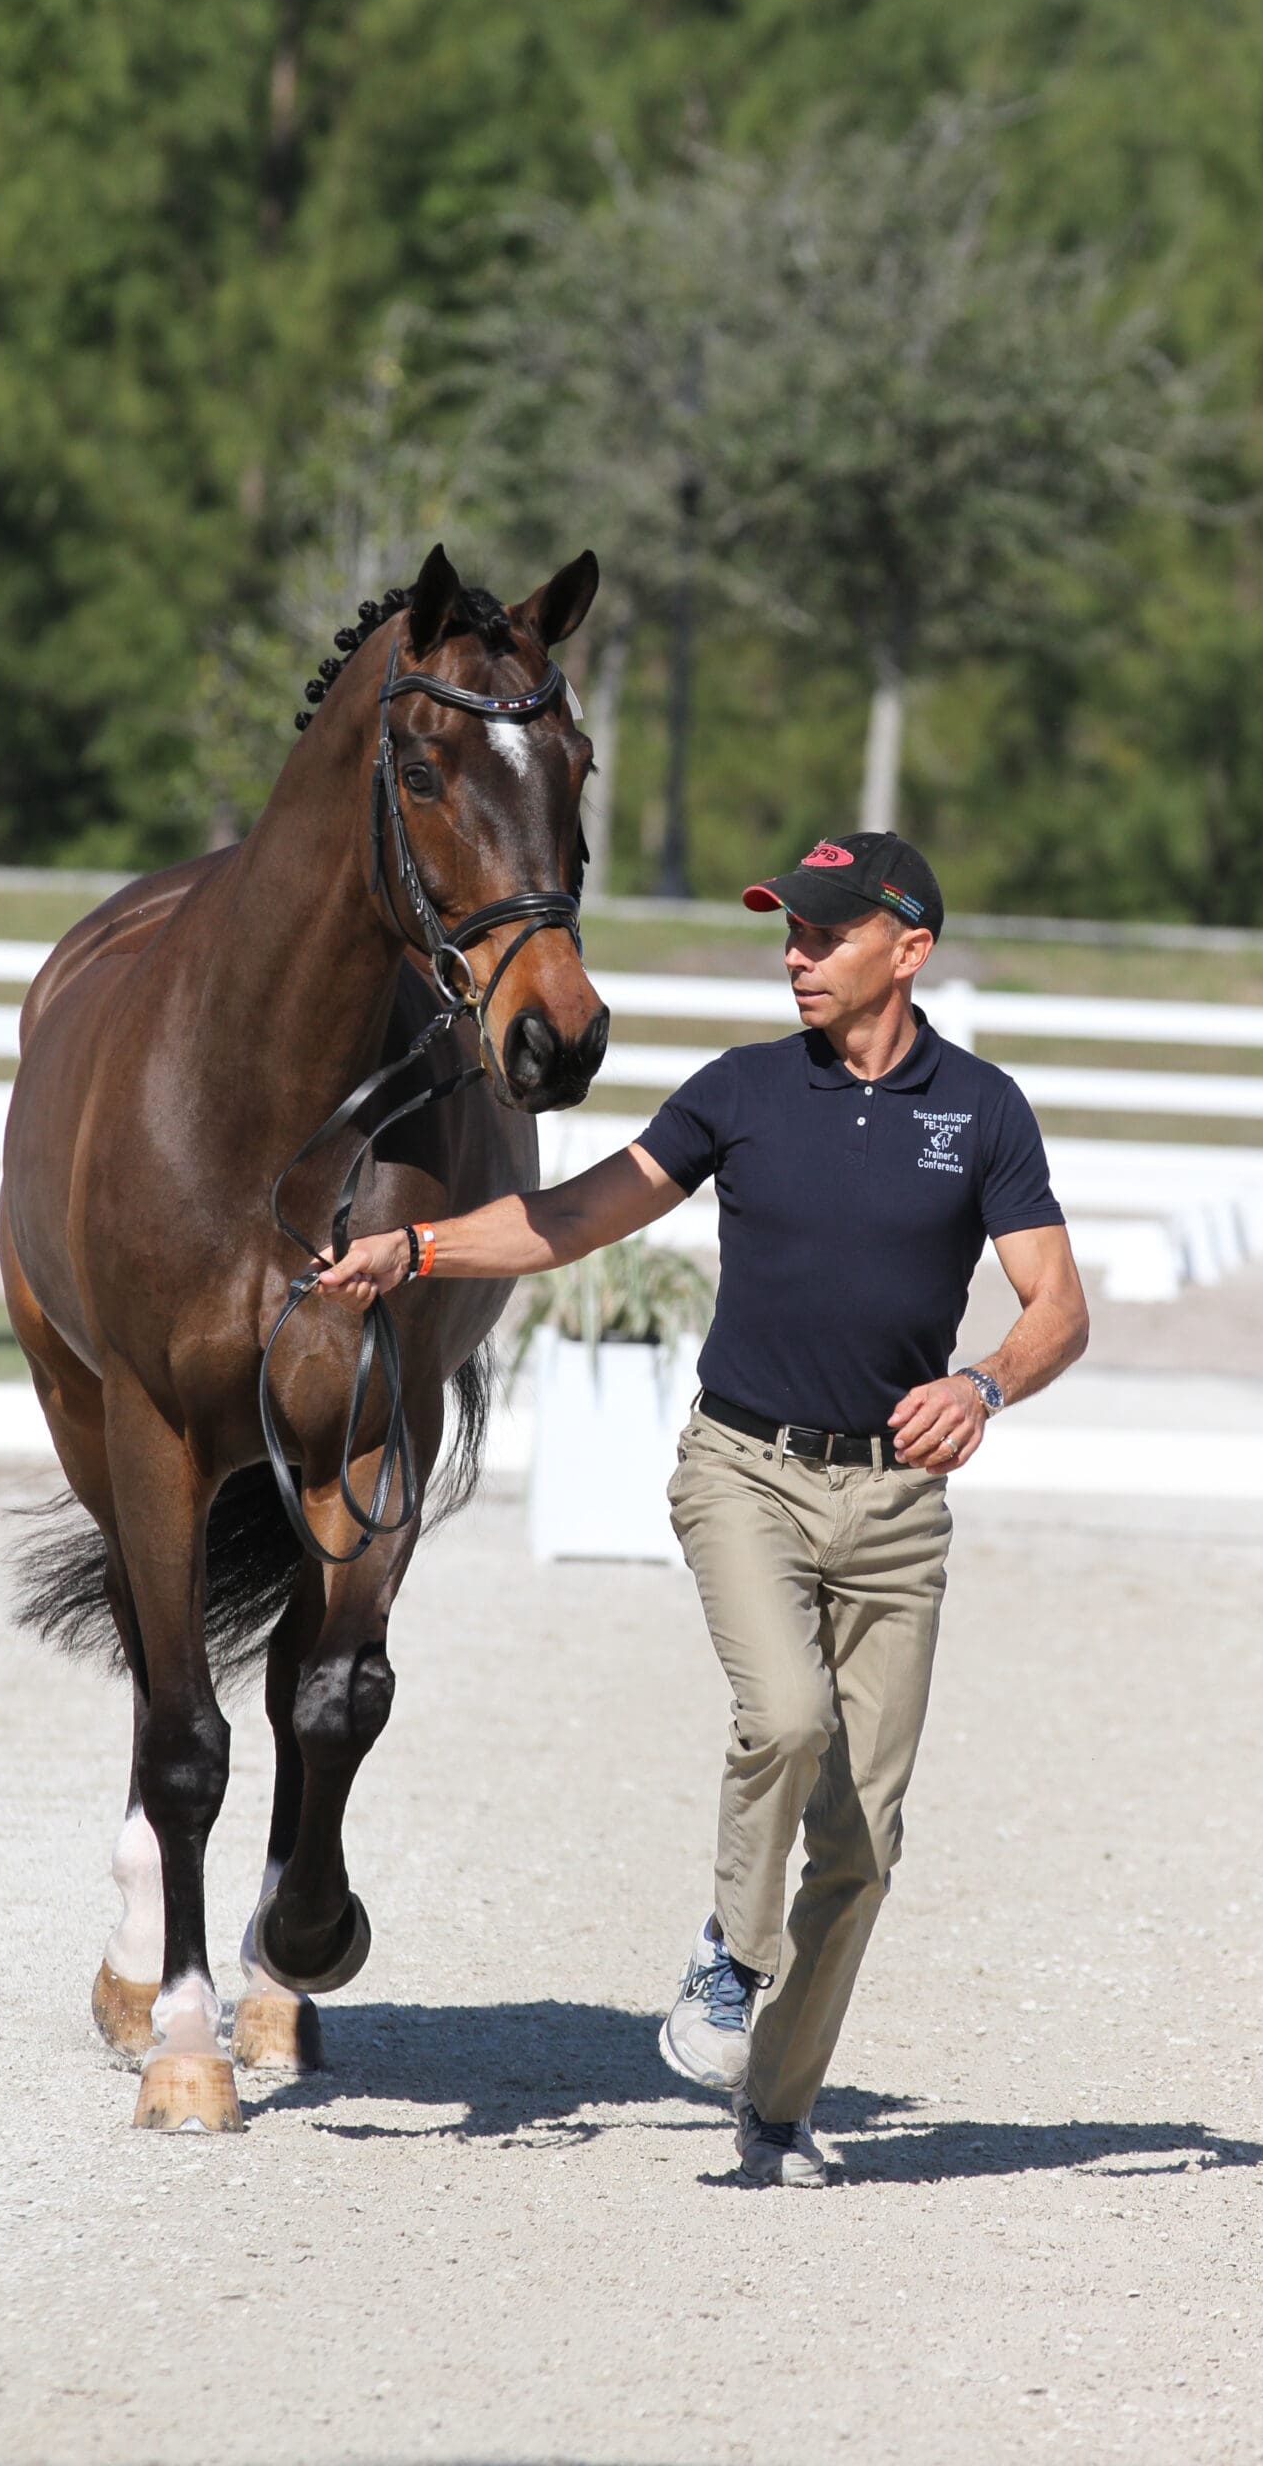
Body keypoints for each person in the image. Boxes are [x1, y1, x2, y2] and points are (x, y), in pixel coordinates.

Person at [317, 831, 1088, 2186]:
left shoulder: (983, 1111)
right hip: (744, 1471)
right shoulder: (742, 1091)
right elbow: (574, 1216)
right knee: (786, 1716)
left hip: (898, 1507)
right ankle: (731, 1953)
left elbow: (1059, 1309)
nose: (797, 954)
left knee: (862, 1846)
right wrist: (417, 1247)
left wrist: (983, 1386)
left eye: (827, 933)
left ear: (909, 950)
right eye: (790, 930)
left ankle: (776, 2111)